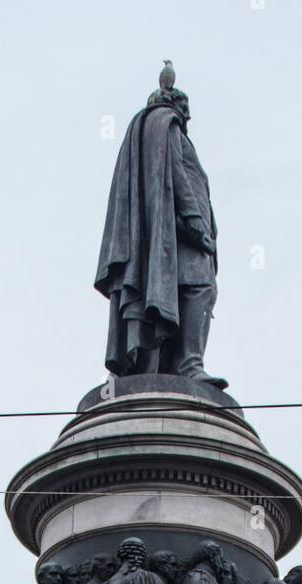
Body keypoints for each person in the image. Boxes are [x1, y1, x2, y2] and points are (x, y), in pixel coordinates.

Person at [95, 70, 226, 387]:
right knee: (200, 288)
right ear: (177, 106)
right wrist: (195, 219)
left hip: (169, 234)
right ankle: (189, 365)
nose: (187, 119)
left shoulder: (158, 130)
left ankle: (166, 364)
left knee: (177, 294)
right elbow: (177, 176)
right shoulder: (166, 125)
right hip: (180, 232)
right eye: (186, 113)